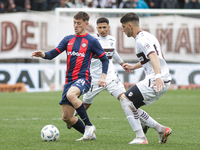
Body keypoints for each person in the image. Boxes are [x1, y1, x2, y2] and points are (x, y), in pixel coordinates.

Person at [31, 11, 109, 141]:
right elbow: (52, 54)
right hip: (69, 81)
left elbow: (105, 59)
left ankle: (89, 126)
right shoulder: (68, 39)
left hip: (83, 78)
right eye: (74, 23)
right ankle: (89, 135)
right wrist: (42, 54)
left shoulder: (91, 41)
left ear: (86, 24)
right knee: (66, 117)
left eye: (79, 23)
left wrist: (103, 77)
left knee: (71, 95)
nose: (76, 25)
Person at [119, 12, 172, 144]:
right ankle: (161, 129)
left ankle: (141, 137)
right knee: (131, 105)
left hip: (157, 79)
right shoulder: (146, 36)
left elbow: (153, 56)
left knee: (125, 100)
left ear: (130, 25)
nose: (123, 30)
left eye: (124, 27)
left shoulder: (142, 39)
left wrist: (158, 76)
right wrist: (133, 66)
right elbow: (148, 59)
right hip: (159, 78)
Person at [66, 17, 126, 128]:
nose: (102, 30)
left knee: (125, 99)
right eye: (99, 27)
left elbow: (113, 52)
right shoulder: (91, 40)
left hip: (110, 77)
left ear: (108, 27)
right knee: (86, 104)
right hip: (94, 78)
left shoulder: (112, 39)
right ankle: (72, 117)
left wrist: (122, 63)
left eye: (104, 27)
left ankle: (140, 122)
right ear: (96, 28)